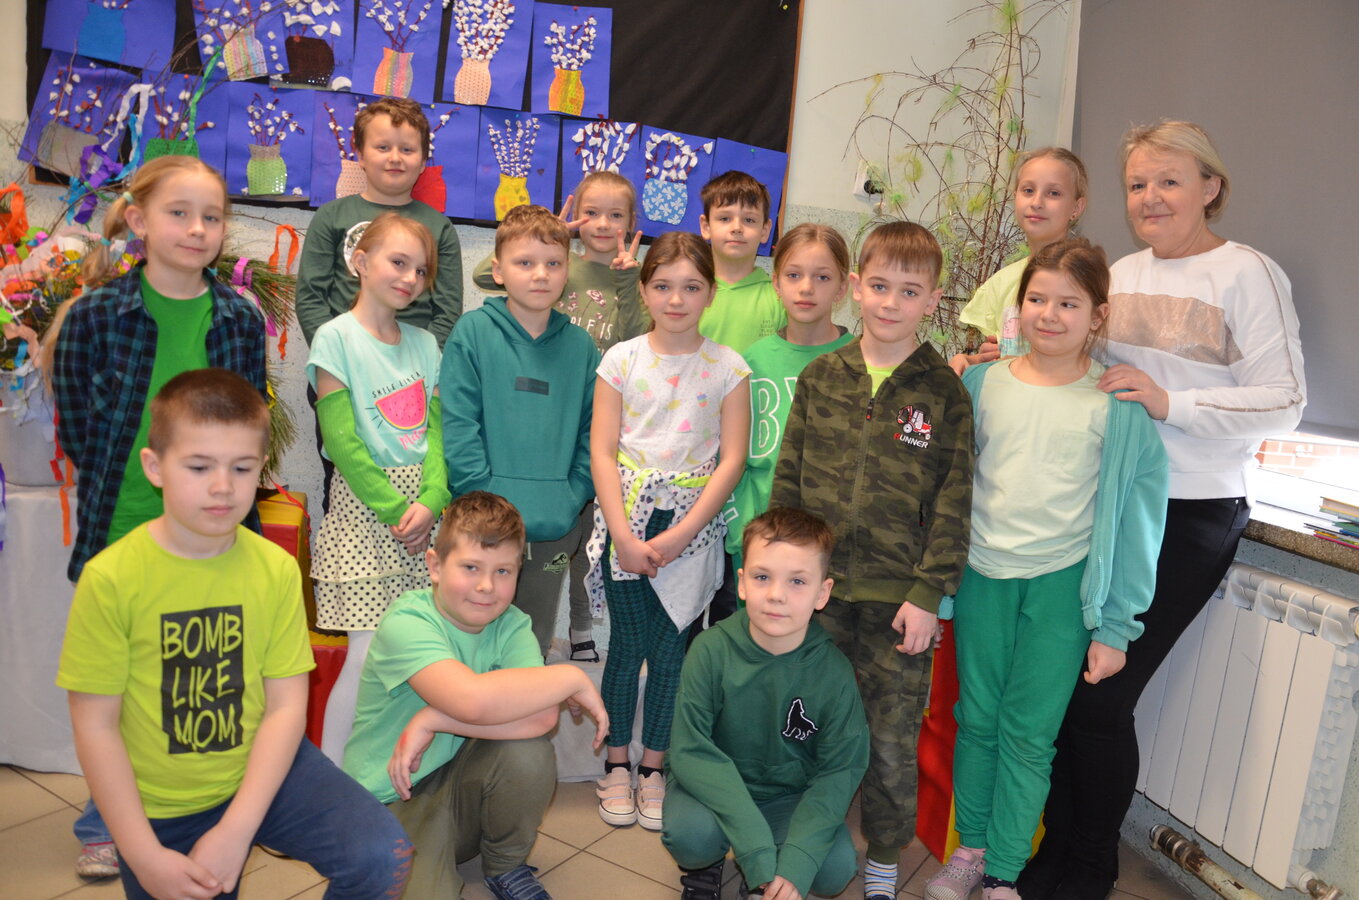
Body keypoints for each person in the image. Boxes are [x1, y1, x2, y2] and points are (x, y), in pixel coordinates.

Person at [1016, 122, 1306, 900]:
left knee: (1102, 697)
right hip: (1107, 499)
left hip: (1193, 510)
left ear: (1209, 187)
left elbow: (1284, 400)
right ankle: (1050, 859)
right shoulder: (1123, 273)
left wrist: (1170, 402)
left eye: (1168, 180)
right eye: (1137, 184)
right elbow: (1084, 369)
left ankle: (1090, 867)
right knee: (1067, 692)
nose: (1149, 197)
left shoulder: (1246, 273)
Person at [57, 369, 410, 900]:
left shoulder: (274, 567)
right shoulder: (110, 579)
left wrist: (236, 830)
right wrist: (143, 853)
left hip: (271, 771)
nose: (223, 486)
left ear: (261, 468)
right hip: (161, 803)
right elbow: (96, 727)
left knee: (383, 857)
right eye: (199, 466)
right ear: (154, 467)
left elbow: (286, 707)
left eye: (242, 468)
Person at [924, 239, 1168, 900]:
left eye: (1068, 303)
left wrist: (1116, 627)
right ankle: (969, 851)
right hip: (982, 576)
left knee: (1028, 736)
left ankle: (1003, 872)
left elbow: (1140, 523)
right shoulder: (981, 383)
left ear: (1097, 316)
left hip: (1063, 587)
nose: (1049, 315)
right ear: (1018, 305)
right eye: (1037, 299)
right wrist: (937, 591)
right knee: (977, 721)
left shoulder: (1116, 404)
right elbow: (941, 482)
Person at [50, 155, 268, 878]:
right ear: (139, 220)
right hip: (122, 526)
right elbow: (78, 427)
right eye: (179, 213)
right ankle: (106, 821)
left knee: (200, 677)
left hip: (213, 533)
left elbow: (246, 425)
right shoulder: (95, 316)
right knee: (120, 690)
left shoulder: (238, 319)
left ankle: (210, 809)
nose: (197, 229)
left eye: (212, 217)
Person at [770, 221, 974, 899]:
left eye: (909, 291)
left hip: (898, 604)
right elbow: (787, 485)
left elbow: (953, 503)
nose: (890, 303)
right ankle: (799, 835)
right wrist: (783, 578)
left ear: (933, 300)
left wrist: (929, 595)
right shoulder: (823, 376)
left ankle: (884, 856)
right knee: (802, 721)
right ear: (856, 287)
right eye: (879, 286)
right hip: (818, 595)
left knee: (889, 740)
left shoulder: (942, 392)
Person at [343, 491, 607, 900]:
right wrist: (570, 677)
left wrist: (433, 719)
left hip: (461, 793)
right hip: (390, 799)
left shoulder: (513, 624)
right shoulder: (408, 620)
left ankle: (504, 864)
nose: (486, 586)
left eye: (503, 571)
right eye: (471, 567)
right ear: (435, 565)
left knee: (529, 751)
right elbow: (470, 700)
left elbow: (541, 719)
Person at [586, 231, 751, 831]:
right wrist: (624, 537)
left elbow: (733, 458)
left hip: (692, 527)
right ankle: (616, 762)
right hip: (627, 520)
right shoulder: (621, 360)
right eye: (662, 286)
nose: (676, 299)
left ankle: (654, 768)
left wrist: (683, 532)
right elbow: (602, 451)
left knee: (671, 652)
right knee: (627, 647)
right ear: (643, 289)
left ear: (710, 292)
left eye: (691, 287)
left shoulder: (729, 367)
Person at [469, 170, 649, 662]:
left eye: (615, 215)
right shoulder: (559, 264)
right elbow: (488, 274)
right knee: (546, 545)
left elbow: (640, 337)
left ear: (633, 222)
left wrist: (628, 280)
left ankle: (581, 624)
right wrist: (551, 233)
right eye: (590, 213)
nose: (602, 224)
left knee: (585, 538)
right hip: (546, 416)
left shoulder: (628, 277)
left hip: (595, 422)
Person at [663, 507, 869, 900]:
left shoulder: (834, 672)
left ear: (822, 593)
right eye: (762, 577)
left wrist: (797, 863)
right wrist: (755, 846)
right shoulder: (709, 650)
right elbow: (690, 750)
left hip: (788, 795)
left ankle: (767, 867)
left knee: (832, 871)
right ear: (741, 583)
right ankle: (717, 864)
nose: (776, 594)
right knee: (691, 837)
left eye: (797, 581)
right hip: (712, 787)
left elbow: (840, 771)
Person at [309, 212, 451, 764]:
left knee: (415, 654)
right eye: (398, 262)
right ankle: (332, 775)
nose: (411, 278)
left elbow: (436, 434)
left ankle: (390, 767)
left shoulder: (425, 344)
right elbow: (342, 441)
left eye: (421, 270)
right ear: (361, 262)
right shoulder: (335, 338)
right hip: (368, 514)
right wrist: (396, 509)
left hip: (423, 517)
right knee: (367, 655)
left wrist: (431, 501)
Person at [441, 205, 600, 658]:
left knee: (531, 646)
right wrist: (481, 497)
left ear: (567, 271)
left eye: (553, 263)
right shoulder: (473, 332)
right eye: (525, 262)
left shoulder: (581, 347)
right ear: (498, 270)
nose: (540, 275)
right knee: (470, 645)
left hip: (554, 525)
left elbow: (593, 432)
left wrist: (573, 495)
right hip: (482, 527)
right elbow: (459, 423)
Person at [295, 96, 463, 513]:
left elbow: (447, 310)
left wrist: (416, 369)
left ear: (423, 161)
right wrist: (344, 361)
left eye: (407, 149)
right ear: (359, 153)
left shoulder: (438, 227)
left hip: (414, 377)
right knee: (345, 475)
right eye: (382, 146)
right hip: (343, 373)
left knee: (419, 477)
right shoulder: (332, 216)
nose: (395, 157)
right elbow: (311, 297)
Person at [721, 223, 855, 580]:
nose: (806, 288)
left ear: (843, 287)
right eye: (794, 275)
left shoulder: (860, 361)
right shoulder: (751, 362)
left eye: (822, 277)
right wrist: (740, 529)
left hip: (832, 550)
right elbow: (731, 456)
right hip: (758, 540)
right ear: (776, 283)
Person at [951, 148, 1090, 372]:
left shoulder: (1089, 281)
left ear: (1076, 207)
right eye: (1028, 190)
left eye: (1053, 193)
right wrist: (977, 362)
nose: (1037, 202)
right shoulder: (1001, 283)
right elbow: (997, 356)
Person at [697, 170, 786, 355]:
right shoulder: (689, 291)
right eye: (725, 218)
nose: (737, 228)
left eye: (749, 220)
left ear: (765, 230)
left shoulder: (781, 298)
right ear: (706, 226)